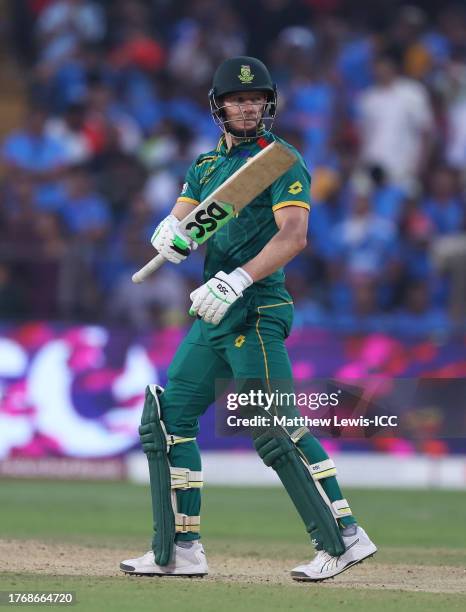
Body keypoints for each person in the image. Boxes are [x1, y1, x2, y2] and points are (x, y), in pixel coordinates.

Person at [120, 56, 377, 582]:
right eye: (237, 100)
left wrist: (239, 278)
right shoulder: (206, 165)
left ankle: (345, 535)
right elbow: (186, 216)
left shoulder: (281, 161)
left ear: (269, 106)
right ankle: (181, 549)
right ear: (218, 107)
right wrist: (168, 232)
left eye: (256, 100)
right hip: (212, 311)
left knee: (275, 425)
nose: (247, 108)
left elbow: (294, 237)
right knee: (167, 422)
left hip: (255, 309)